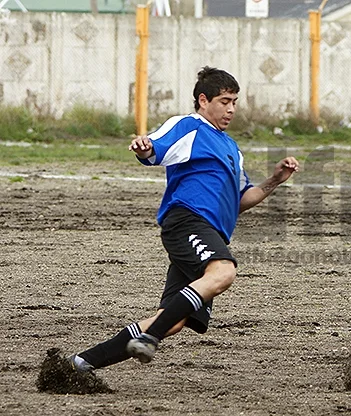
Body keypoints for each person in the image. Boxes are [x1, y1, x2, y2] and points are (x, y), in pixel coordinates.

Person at [38, 66, 299, 390]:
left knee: (173, 321)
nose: (231, 109)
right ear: (203, 100)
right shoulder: (189, 126)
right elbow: (153, 148)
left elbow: (242, 199)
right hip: (187, 221)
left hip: (209, 233)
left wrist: (275, 179)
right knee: (223, 272)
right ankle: (149, 336)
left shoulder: (232, 148)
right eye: (224, 101)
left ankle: (79, 363)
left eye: (234, 102)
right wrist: (144, 147)